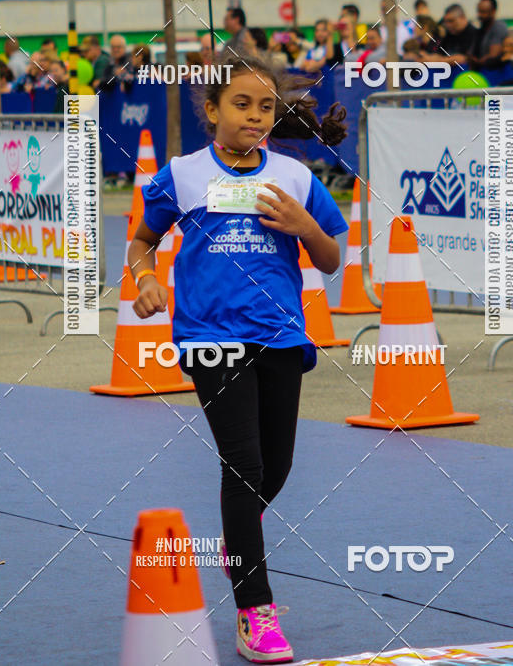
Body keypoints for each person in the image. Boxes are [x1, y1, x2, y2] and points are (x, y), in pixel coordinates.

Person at [128, 54, 348, 663]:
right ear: (212, 111)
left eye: (266, 106)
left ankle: (235, 546)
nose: (255, 115)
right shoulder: (185, 173)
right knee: (245, 465)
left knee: (272, 468)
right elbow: (143, 241)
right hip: (210, 338)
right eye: (242, 104)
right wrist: (146, 280)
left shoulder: (296, 177)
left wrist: (305, 225)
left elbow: (331, 261)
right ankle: (256, 612)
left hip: (280, 336)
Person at [432, 4, 478, 69]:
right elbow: (436, 54)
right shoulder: (448, 35)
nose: (448, 25)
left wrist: (440, 60)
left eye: (451, 21)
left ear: (462, 18)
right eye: (446, 22)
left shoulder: (475, 34)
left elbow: (463, 58)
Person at [469, 0, 509, 71]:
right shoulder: (479, 30)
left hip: (496, 72)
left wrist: (476, 61)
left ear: (493, 12)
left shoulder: (498, 27)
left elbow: (493, 55)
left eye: (483, 12)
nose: (480, 15)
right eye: (479, 11)